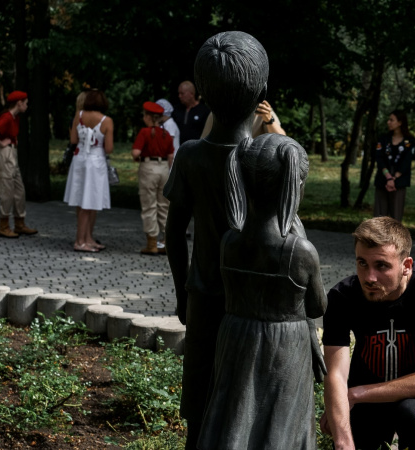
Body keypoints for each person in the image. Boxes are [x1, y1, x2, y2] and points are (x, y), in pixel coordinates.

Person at [163, 31, 271, 449]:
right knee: (245, 401)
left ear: (202, 92)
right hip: (252, 302)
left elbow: (174, 233)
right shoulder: (267, 156)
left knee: (200, 402)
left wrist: (181, 292)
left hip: (203, 296)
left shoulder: (190, 154)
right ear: (261, 91)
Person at [198, 134, 326, 449]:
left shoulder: (230, 241)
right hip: (283, 344)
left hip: (236, 335)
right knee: (281, 422)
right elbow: (317, 306)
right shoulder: (300, 251)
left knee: (234, 414)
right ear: (294, 186)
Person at [321, 217, 415, 450]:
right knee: (346, 431)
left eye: (381, 266)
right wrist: (343, 442)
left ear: (406, 266)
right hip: (369, 384)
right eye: (362, 263)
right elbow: (335, 374)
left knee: (413, 413)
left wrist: (355, 394)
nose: (369, 277)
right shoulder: (342, 297)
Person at [63, 89, 114, 252]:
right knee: (89, 202)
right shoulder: (106, 121)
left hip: (79, 160)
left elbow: (73, 140)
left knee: (83, 200)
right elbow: (109, 148)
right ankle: (80, 241)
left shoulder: (79, 116)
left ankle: (87, 237)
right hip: (96, 161)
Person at [0, 90, 38, 238]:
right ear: (19, 103)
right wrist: (1, 143)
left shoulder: (15, 117)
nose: (27, 106)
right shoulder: (7, 117)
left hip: (11, 154)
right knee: (7, 191)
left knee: (19, 191)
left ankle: (19, 224)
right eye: (26, 103)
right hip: (5, 154)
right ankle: (3, 227)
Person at [132, 101, 175, 255]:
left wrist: (137, 158)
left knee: (149, 205)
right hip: (164, 169)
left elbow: (136, 153)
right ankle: (166, 242)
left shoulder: (144, 133)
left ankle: (152, 243)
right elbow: (171, 156)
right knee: (164, 205)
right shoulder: (167, 135)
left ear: (148, 117)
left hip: (148, 168)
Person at [374, 110, 415, 222]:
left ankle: (394, 240)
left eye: (391, 120)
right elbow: (380, 158)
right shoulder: (383, 139)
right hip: (383, 181)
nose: (388, 122)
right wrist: (388, 177)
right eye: (389, 119)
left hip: (399, 183)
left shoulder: (410, 141)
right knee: (379, 218)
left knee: (395, 220)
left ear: (400, 122)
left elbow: (406, 162)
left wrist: (394, 178)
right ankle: (378, 240)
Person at [199, 99, 286, 139]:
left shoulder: (261, 110)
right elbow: (204, 144)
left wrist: (269, 120)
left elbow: (282, 139)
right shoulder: (218, 113)